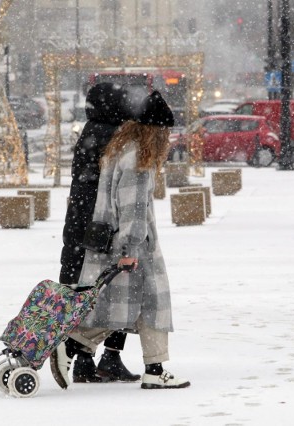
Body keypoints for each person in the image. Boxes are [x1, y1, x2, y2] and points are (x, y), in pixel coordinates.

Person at [53, 90, 190, 390]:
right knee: (129, 306)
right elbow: (133, 207)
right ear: (155, 129)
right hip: (134, 246)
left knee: (132, 307)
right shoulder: (139, 158)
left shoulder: (120, 148)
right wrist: (129, 248)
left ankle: (154, 368)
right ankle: (73, 342)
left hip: (113, 241)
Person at [51, 82, 140, 387]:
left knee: (84, 289)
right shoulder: (116, 135)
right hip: (101, 225)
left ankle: (86, 361)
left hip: (78, 222)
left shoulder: (91, 130)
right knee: (116, 287)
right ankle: (108, 358)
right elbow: (116, 184)